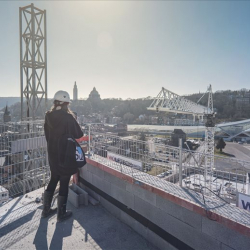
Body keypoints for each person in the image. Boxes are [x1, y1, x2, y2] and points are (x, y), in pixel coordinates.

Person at [42, 90, 83, 222]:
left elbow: (47, 136)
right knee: (64, 182)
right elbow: (79, 134)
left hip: (53, 153)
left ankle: (46, 211)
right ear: (66, 103)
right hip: (65, 154)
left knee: (54, 179)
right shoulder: (68, 117)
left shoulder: (48, 116)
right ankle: (61, 214)